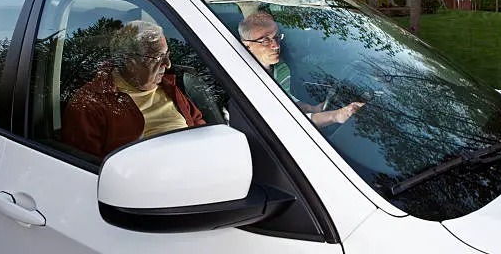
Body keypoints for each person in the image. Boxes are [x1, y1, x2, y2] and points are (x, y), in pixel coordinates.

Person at [62, 20, 205, 158]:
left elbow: (199, 126)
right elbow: (85, 168)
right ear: (130, 61)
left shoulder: (168, 86)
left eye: (167, 55)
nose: (167, 64)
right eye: (158, 57)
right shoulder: (90, 104)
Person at [239, 12, 364, 128]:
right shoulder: (245, 82)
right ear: (247, 45)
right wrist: (334, 116)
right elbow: (283, 122)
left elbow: (286, 100)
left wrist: (313, 109)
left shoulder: (281, 68)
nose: (276, 46)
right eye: (265, 41)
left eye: (276, 37)